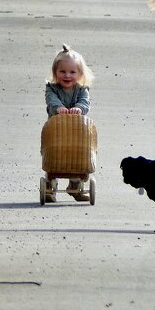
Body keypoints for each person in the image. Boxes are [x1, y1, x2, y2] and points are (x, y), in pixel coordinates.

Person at [44, 44, 94, 200]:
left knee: (77, 156)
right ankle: (50, 186)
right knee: (55, 155)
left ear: (80, 74)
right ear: (55, 72)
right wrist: (58, 107)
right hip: (57, 129)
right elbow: (51, 101)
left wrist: (79, 108)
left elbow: (85, 103)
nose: (67, 75)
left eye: (72, 72)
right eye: (62, 72)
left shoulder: (81, 89)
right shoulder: (52, 88)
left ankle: (75, 185)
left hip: (77, 130)